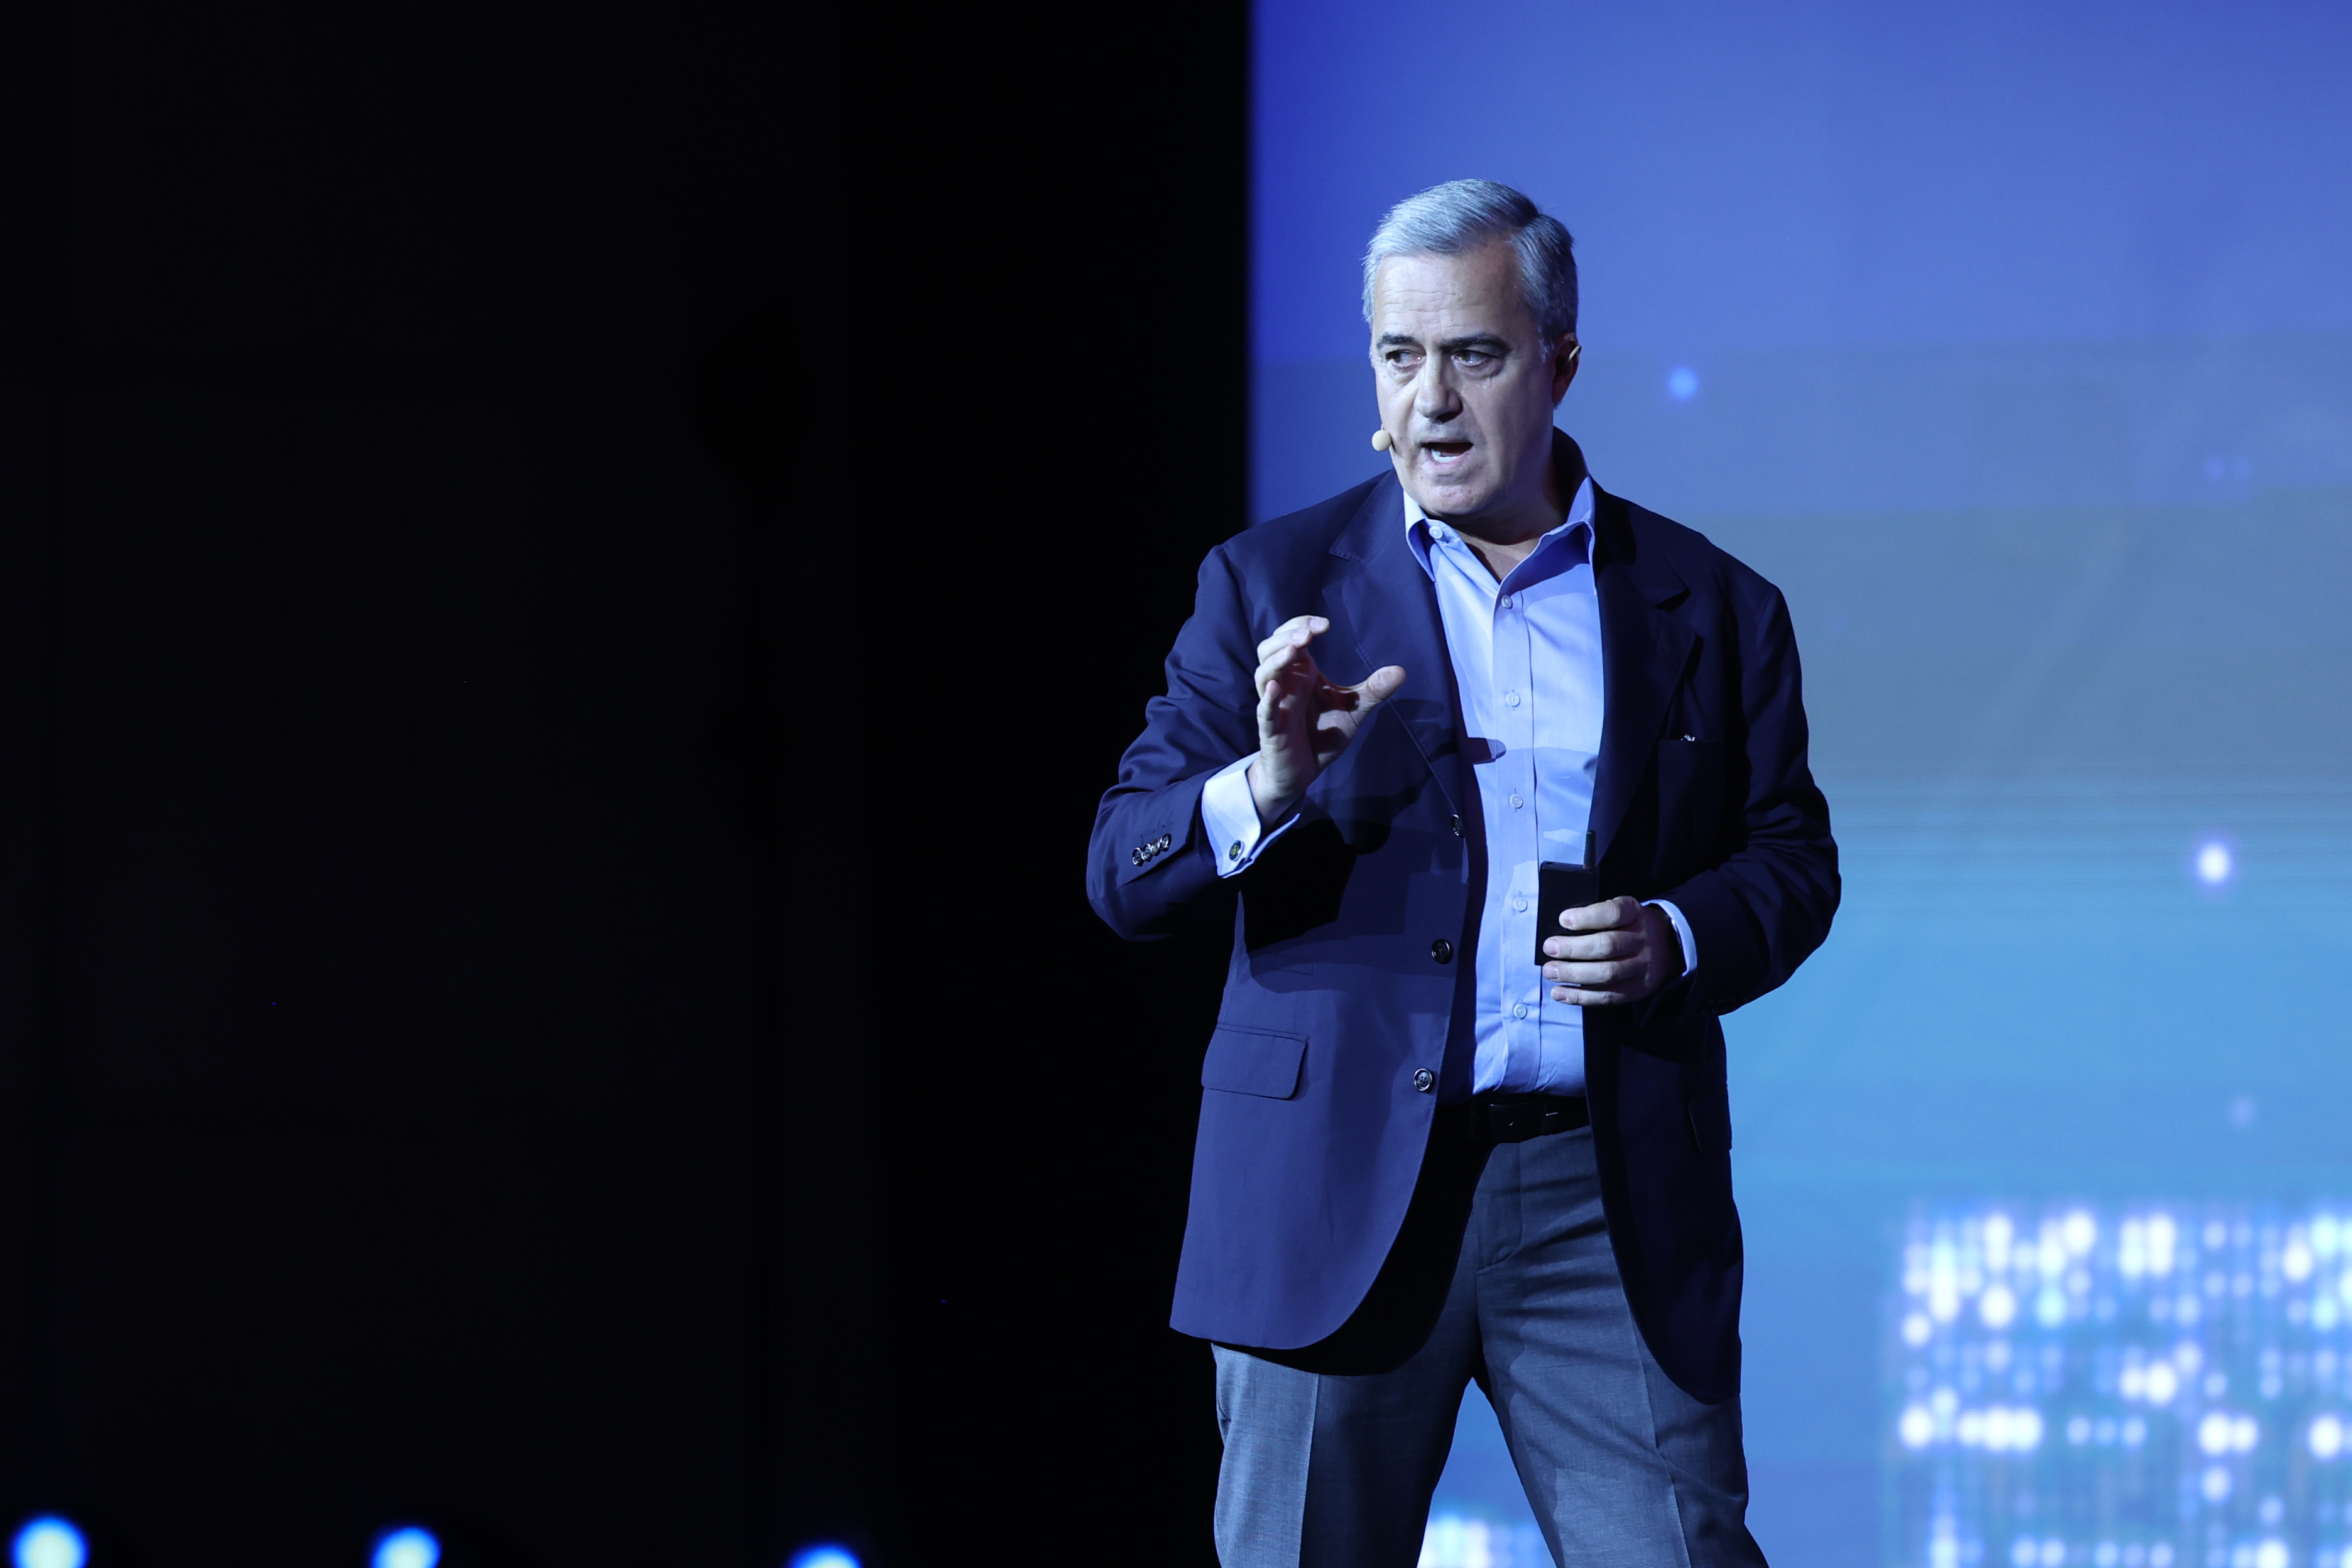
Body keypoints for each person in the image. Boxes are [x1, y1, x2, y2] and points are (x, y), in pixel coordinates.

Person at [1087, 179, 1839, 1567]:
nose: (1429, 400)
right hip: (1331, 1192)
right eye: (1398, 355)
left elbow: (1792, 858)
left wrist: (1678, 931)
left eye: (1473, 356)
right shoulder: (1268, 585)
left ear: (1557, 361)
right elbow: (1126, 873)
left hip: (1599, 1203)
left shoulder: (1713, 606)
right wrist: (1270, 779)